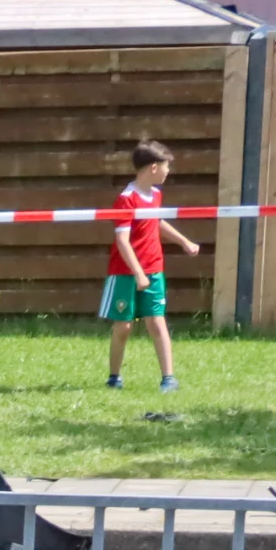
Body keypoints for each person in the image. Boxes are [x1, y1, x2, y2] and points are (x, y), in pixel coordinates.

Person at [101, 139, 202, 393]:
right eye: (166, 166)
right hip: (125, 273)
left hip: (154, 269)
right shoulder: (126, 199)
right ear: (153, 168)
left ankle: (168, 378)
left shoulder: (156, 195)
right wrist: (137, 273)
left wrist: (184, 241)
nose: (168, 171)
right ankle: (114, 376)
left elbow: (156, 223)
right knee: (123, 326)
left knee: (157, 323)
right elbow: (122, 241)